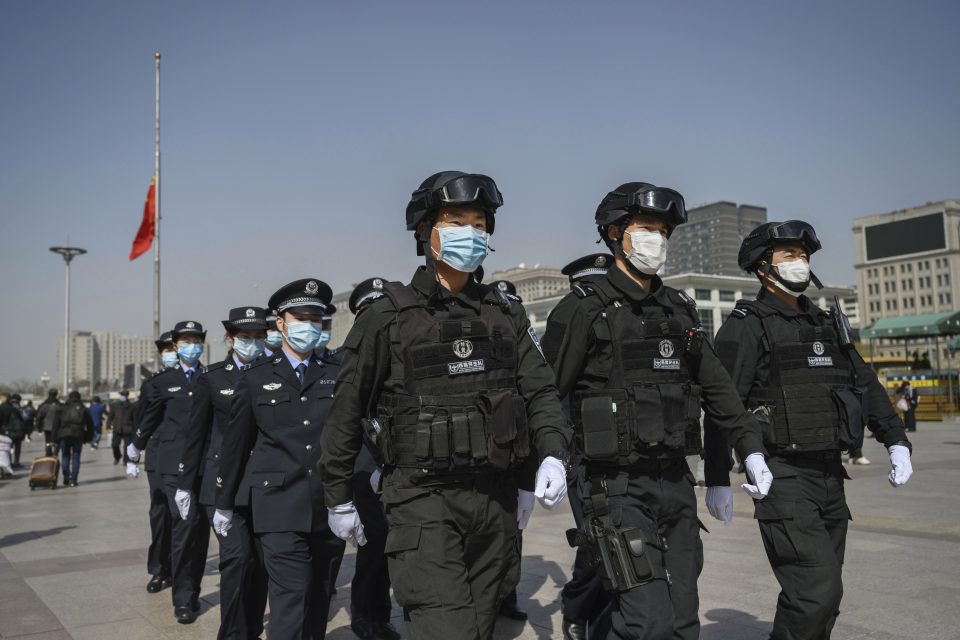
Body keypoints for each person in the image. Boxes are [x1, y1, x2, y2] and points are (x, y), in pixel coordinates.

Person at [319, 171, 572, 640]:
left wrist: (552, 453)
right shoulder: (387, 316)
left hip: (494, 502)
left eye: (480, 223)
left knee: (477, 628)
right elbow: (347, 409)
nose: (472, 234)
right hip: (422, 503)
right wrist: (337, 494)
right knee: (446, 630)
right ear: (425, 231)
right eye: (457, 221)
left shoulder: (504, 312)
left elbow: (539, 391)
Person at [541, 182, 770, 640]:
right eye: (647, 227)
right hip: (613, 487)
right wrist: (546, 456)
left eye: (664, 230)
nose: (657, 239)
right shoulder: (583, 310)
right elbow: (546, 393)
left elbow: (718, 389)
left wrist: (750, 450)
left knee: (683, 619)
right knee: (648, 620)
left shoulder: (679, 311)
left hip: (674, 483)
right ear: (614, 233)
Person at [708, 220, 914, 640]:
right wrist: (717, 477)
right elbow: (722, 405)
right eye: (789, 255)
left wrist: (896, 440)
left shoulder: (825, 323)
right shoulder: (746, 325)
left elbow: (864, 382)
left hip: (829, 474)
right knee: (817, 590)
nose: (800, 262)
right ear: (763, 267)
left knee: (822, 593)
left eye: (803, 255)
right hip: (782, 475)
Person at [216, 280, 346, 640]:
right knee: (291, 595)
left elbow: (352, 436)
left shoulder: (337, 375)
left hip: (328, 505)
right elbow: (236, 446)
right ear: (281, 322)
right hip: (277, 506)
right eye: (300, 317)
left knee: (320, 594)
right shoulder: (256, 378)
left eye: (316, 319)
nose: (309, 325)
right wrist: (224, 503)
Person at [176, 307, 270, 640]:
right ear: (230, 339)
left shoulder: (273, 373)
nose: (254, 344)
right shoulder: (212, 378)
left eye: (260, 337)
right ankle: (231, 634)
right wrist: (185, 484)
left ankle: (251, 629)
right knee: (237, 559)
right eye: (246, 337)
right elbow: (195, 435)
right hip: (220, 486)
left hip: (263, 482)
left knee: (260, 565)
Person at [330, 277, 402, 640]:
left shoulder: (401, 351)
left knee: (392, 547)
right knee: (372, 547)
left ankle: (382, 614)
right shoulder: (343, 359)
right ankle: (363, 616)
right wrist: (368, 468)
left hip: (398, 469)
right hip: (364, 471)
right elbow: (344, 424)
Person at [128, 321, 210, 623]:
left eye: (196, 340)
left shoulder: (210, 376)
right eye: (185, 341)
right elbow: (148, 419)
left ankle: (194, 588)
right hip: (173, 465)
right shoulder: (163, 381)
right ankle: (184, 598)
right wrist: (134, 447)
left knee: (200, 533)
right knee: (184, 529)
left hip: (206, 464)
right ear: (175, 345)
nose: (191, 345)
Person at [553, 253, 615, 640]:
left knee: (619, 546)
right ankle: (577, 606)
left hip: (626, 451)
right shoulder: (571, 315)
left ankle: (601, 621)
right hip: (585, 453)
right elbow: (552, 389)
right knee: (602, 543)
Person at [131, 332, 177, 596]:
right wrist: (134, 450)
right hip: (159, 456)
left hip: (189, 456)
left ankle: (182, 570)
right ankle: (160, 569)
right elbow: (142, 420)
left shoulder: (200, 379)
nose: (171, 352)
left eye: (175, 347)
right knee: (160, 515)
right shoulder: (152, 384)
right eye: (167, 349)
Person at [55, 390, 93, 487]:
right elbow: (90, 425)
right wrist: (88, 437)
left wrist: (54, 438)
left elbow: (56, 424)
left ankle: (66, 476)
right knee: (76, 457)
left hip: (64, 435)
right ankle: (74, 480)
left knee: (65, 456)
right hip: (78, 434)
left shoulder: (62, 408)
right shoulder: (84, 409)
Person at [108, 390, 137, 465]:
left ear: (127, 396)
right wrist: (108, 425)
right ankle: (117, 456)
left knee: (127, 446)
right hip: (117, 428)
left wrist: (135, 429)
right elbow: (110, 416)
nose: (122, 397)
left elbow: (134, 418)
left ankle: (126, 460)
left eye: (123, 395)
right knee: (114, 444)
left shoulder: (132, 406)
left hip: (127, 428)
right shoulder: (114, 405)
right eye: (121, 395)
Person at [0, 393, 28, 468]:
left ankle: (8, 462)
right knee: (18, 447)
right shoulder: (14, 409)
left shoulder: (1, 408)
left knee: (7, 448)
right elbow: (22, 420)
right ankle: (16, 462)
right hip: (17, 431)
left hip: (5, 432)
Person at [36, 389, 62, 455]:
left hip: (47, 427)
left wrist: (39, 428)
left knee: (47, 441)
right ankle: (55, 454)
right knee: (57, 441)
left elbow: (39, 417)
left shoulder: (44, 405)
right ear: (56, 394)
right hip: (58, 427)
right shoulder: (60, 405)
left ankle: (48, 453)